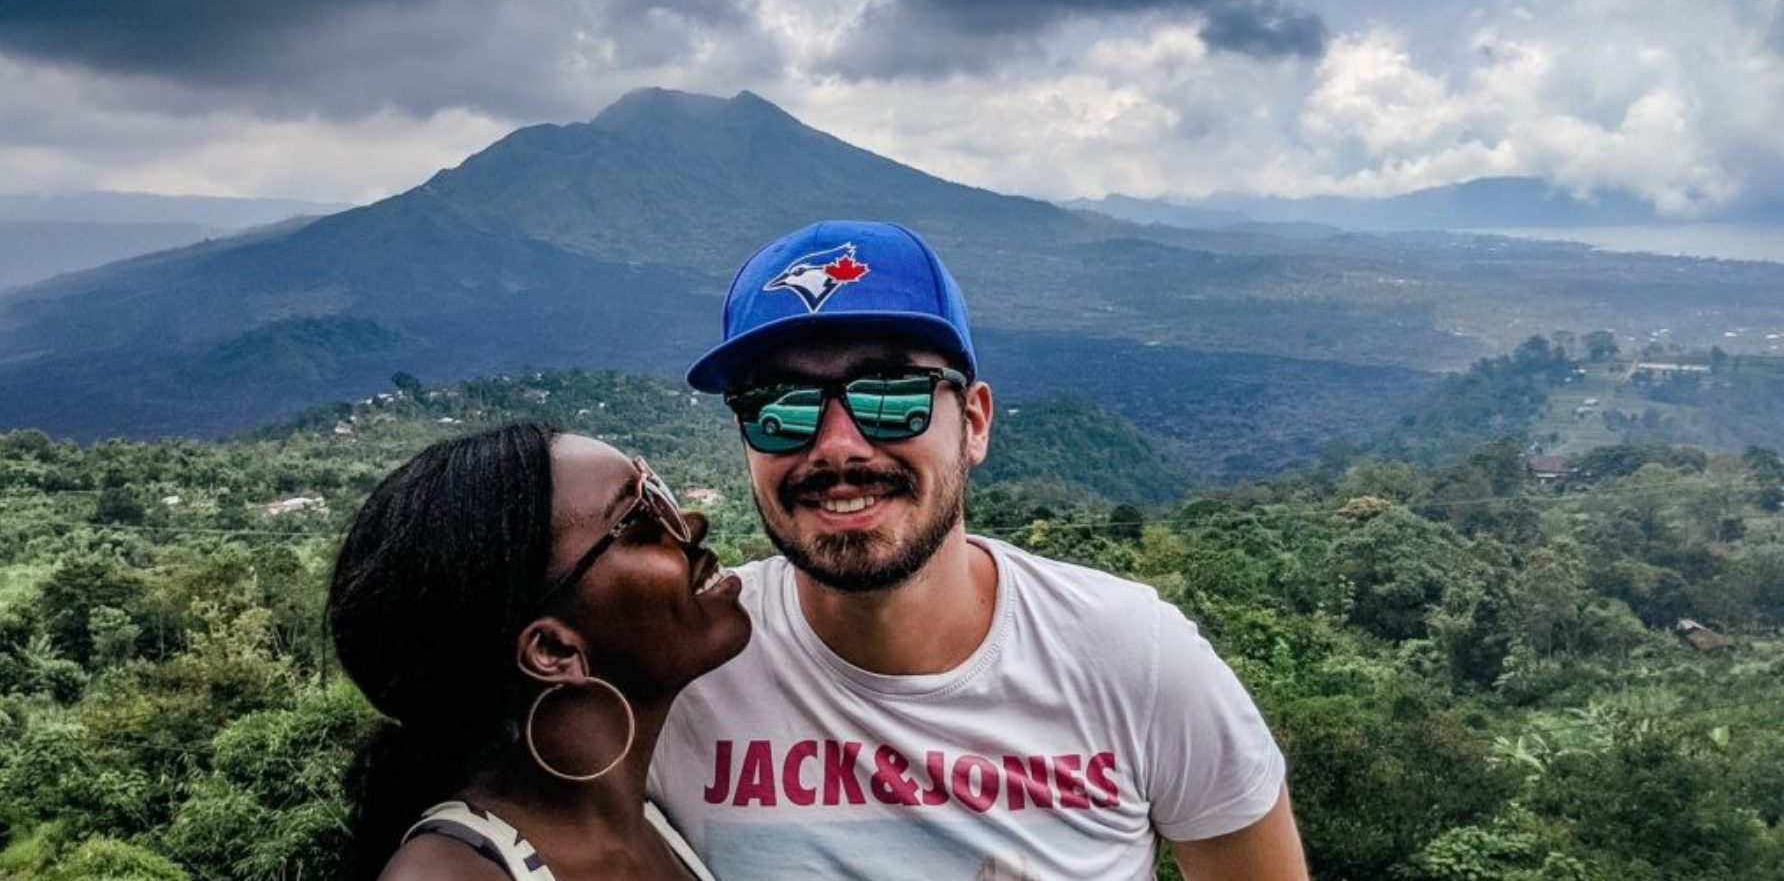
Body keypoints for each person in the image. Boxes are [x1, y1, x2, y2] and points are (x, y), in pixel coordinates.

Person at [649, 222, 1309, 880]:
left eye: (891, 396)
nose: (839, 446)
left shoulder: (1132, 656)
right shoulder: (676, 667)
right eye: (780, 408)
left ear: (973, 424)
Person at [329, 422, 750, 880]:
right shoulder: (450, 875)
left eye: (659, 490)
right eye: (643, 524)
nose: (690, 521)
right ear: (552, 649)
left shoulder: (646, 825)